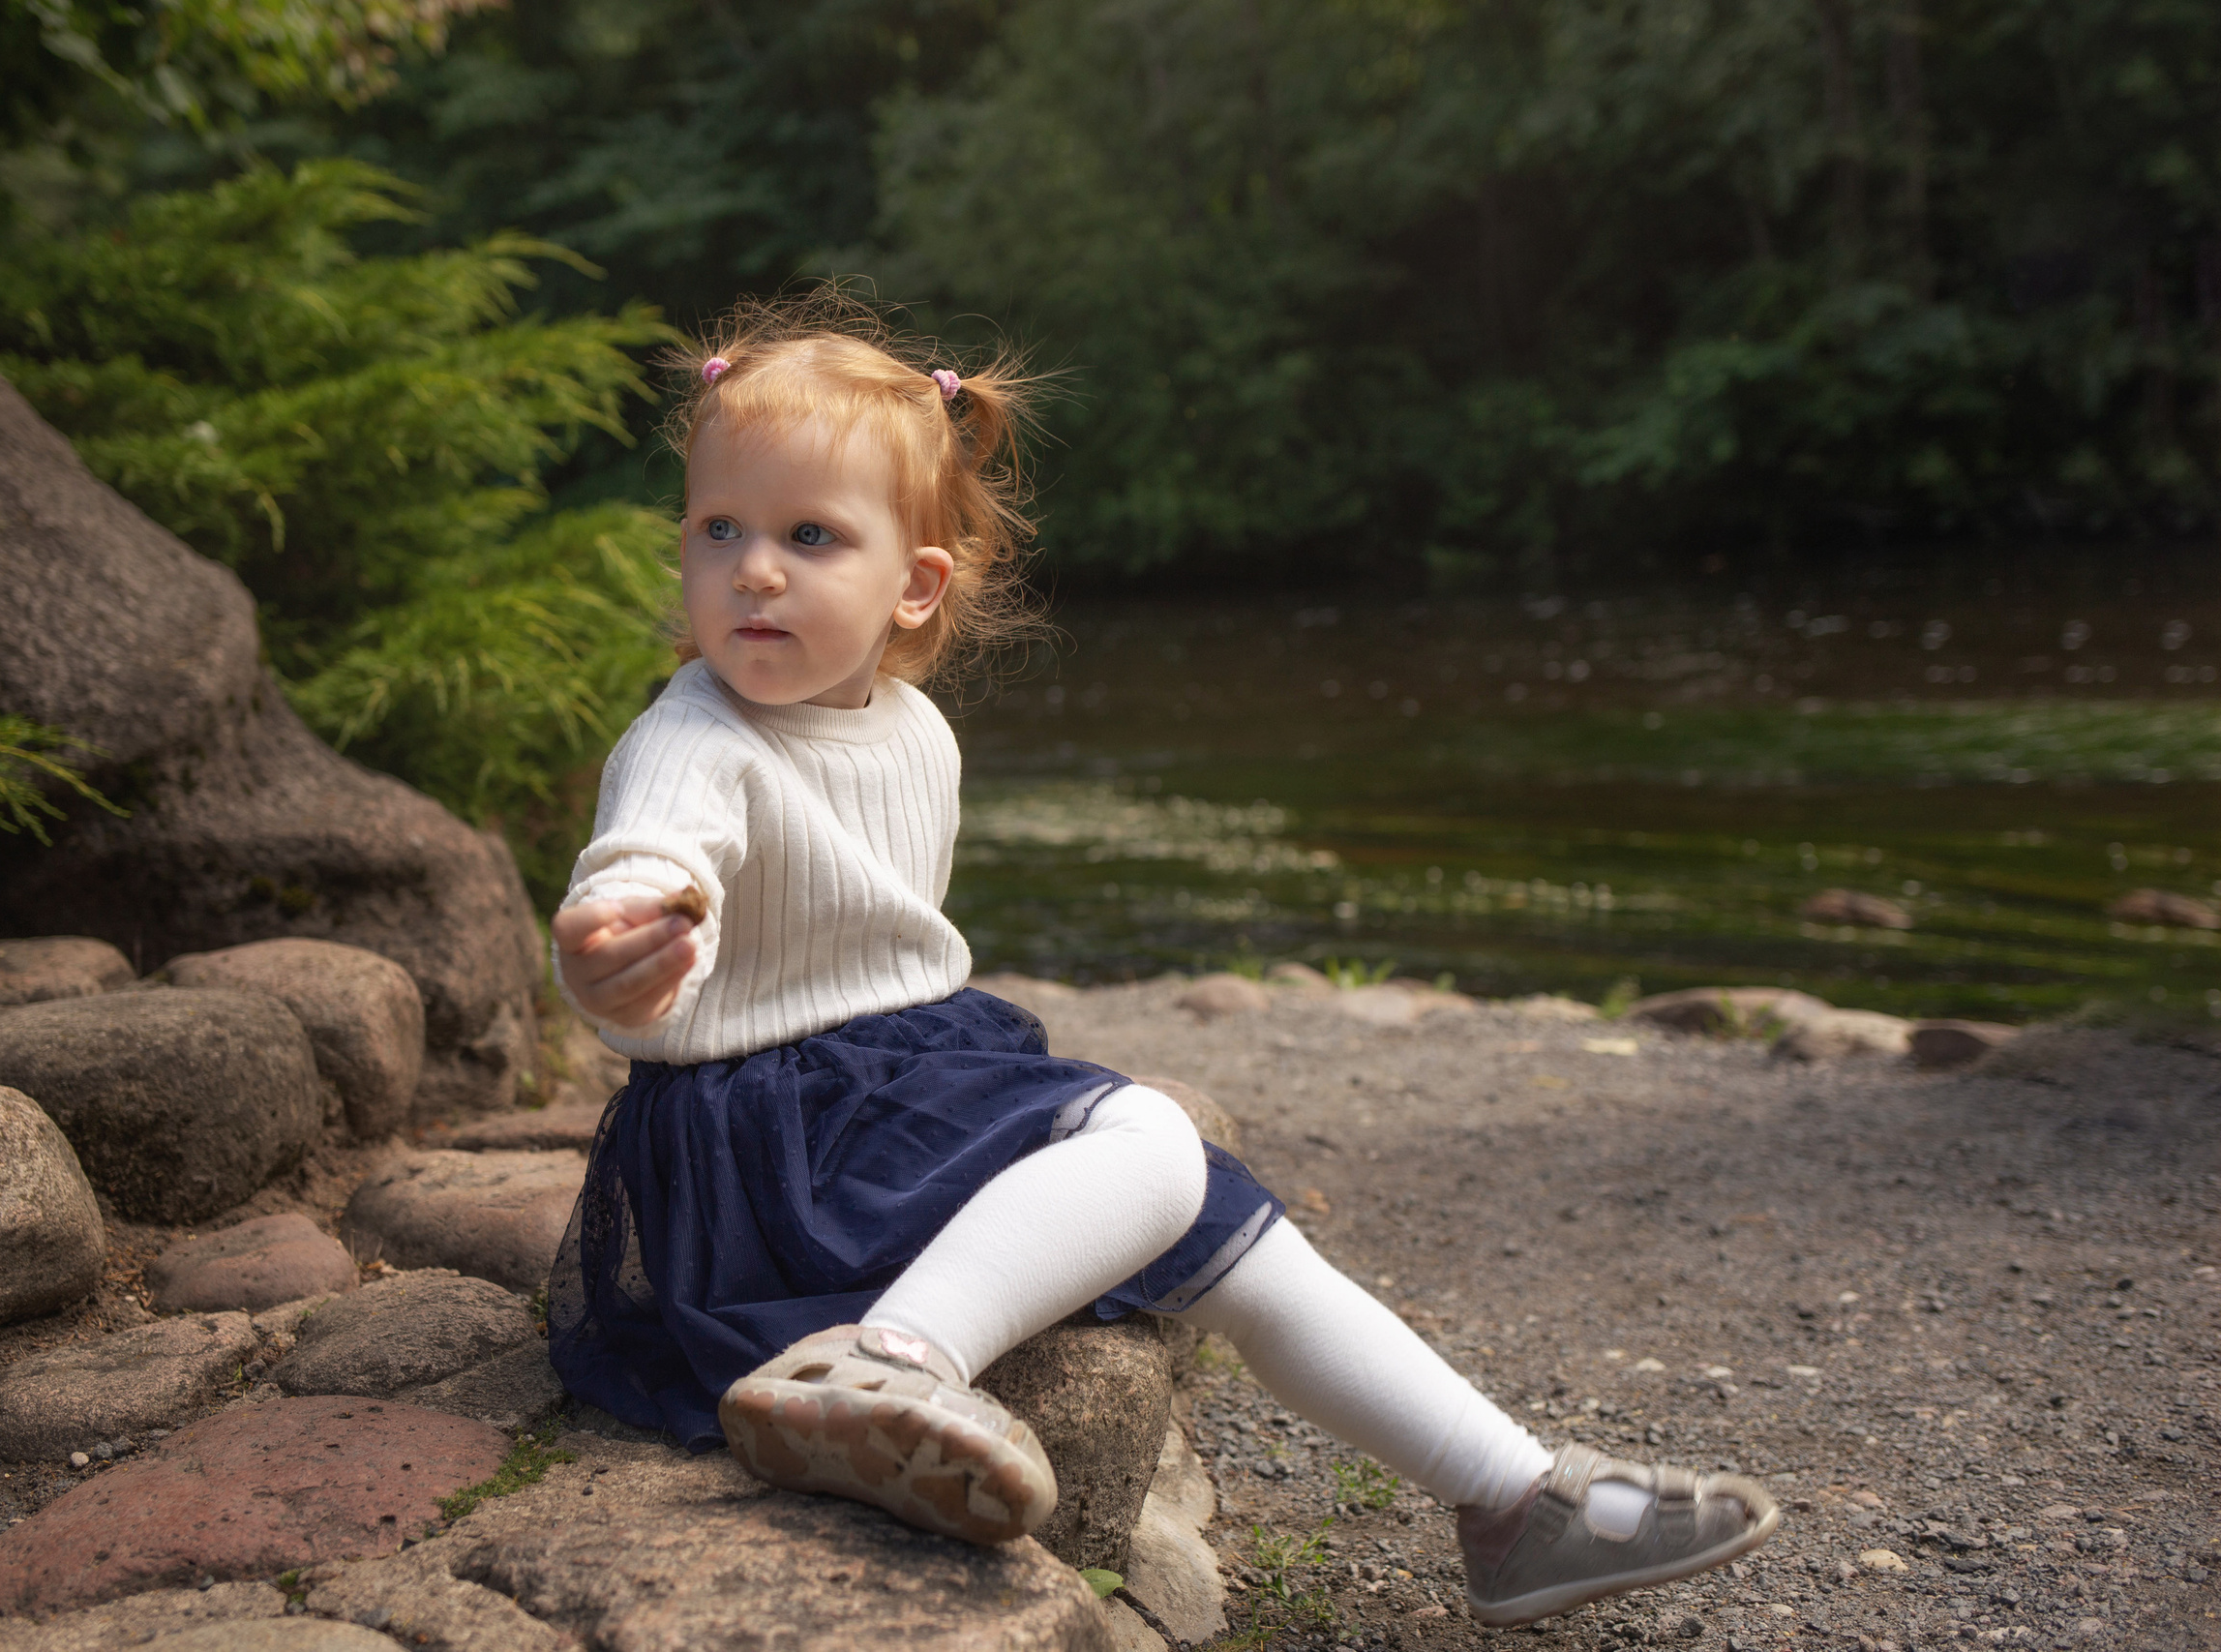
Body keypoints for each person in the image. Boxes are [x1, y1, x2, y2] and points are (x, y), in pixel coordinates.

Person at [546, 289, 1777, 1627]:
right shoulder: (696, 735)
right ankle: (893, 1361)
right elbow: (653, 864)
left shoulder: (911, 732)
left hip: (872, 1094)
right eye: (718, 529)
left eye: (809, 536)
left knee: (1229, 1226)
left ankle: (1512, 1498)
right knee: (1151, 1147)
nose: (755, 569)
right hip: (766, 1144)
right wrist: (619, 948)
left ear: (916, 586)